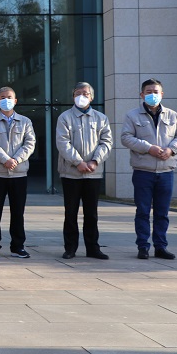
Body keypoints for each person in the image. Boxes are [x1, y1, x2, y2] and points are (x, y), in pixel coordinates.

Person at [120, 78, 177, 260]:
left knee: (162, 213)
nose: (152, 95)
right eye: (148, 92)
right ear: (142, 95)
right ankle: (143, 246)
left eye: (156, 92)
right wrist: (148, 147)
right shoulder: (132, 116)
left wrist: (171, 149)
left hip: (166, 172)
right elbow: (126, 138)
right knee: (142, 211)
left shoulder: (172, 115)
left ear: (162, 94)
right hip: (143, 171)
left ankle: (161, 246)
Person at [55, 82, 113, 259]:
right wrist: (78, 162)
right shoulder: (65, 117)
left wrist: (95, 161)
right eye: (78, 93)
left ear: (92, 97)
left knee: (91, 213)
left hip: (93, 173)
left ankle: (93, 248)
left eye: (85, 93)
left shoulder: (101, 118)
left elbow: (106, 142)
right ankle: (70, 248)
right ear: (73, 96)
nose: (82, 96)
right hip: (71, 173)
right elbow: (63, 143)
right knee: (70, 212)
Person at [0, 86, 36, 259]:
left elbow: (30, 144)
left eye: (9, 97)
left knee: (18, 212)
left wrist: (16, 160)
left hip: (19, 173)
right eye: (3, 97)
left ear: (15, 101)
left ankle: (18, 246)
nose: (6, 100)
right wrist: (5, 159)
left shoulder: (25, 122)